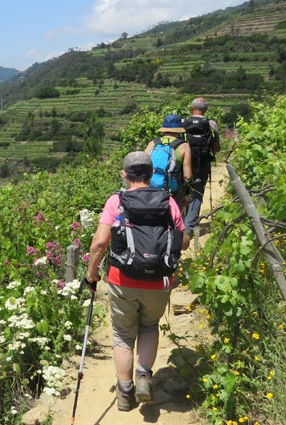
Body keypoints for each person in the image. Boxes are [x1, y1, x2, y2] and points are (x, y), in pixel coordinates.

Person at [85, 151, 190, 412]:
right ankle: (143, 376)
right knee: (149, 326)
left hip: (123, 279)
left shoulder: (115, 202)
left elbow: (99, 242)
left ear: (124, 174)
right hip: (158, 280)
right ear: (152, 173)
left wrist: (92, 273)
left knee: (122, 335)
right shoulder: (167, 201)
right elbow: (184, 241)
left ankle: (124, 393)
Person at [183, 97, 220, 234]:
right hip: (202, 165)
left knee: (182, 192)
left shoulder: (183, 123)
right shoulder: (211, 124)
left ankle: (178, 224)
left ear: (191, 108)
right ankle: (189, 228)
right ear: (206, 110)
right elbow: (216, 148)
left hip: (183, 164)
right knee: (197, 194)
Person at [144, 114, 192, 208]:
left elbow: (143, 165)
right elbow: (187, 175)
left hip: (150, 186)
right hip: (173, 190)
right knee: (174, 215)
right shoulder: (184, 146)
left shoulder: (152, 143)